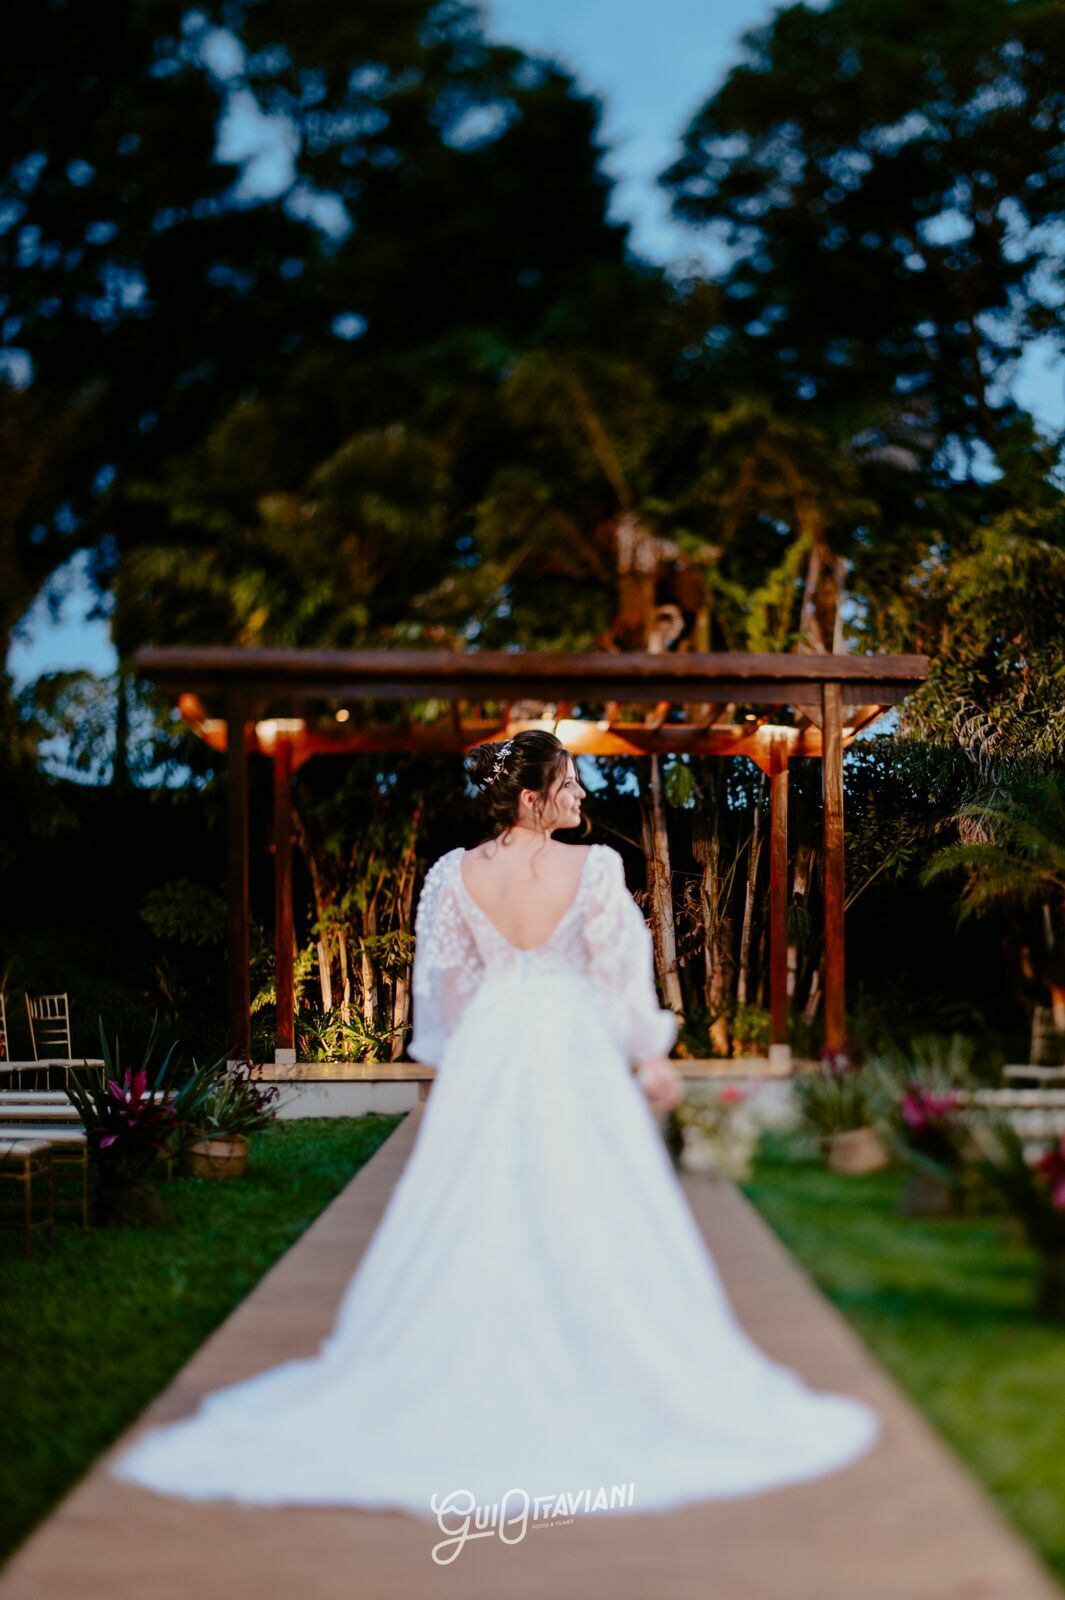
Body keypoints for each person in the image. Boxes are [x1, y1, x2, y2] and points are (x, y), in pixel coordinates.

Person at [109, 730, 879, 1521]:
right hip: (572, 1046)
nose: (582, 796)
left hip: (489, 1050)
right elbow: (619, 986)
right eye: (571, 783)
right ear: (531, 797)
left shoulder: (452, 874)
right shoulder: (599, 868)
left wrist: (468, 1059)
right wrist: (649, 1059)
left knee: (479, 1201)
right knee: (586, 1199)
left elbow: (444, 995)